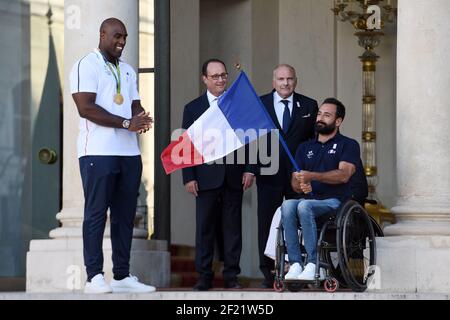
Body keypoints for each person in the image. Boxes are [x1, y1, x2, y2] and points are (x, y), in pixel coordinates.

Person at [70, 18, 155, 294]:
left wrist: (140, 118)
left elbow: (134, 105)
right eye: (117, 36)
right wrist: (125, 123)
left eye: (125, 37)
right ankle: (93, 276)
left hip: (129, 153)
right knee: (96, 214)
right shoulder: (86, 64)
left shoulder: (128, 71)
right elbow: (86, 108)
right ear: (102, 34)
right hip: (98, 151)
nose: (122, 41)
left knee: (125, 216)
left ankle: (121, 275)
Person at [182, 58, 255, 291]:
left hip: (234, 176)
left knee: (233, 229)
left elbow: (250, 138)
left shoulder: (238, 104)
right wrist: (188, 176)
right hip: (204, 178)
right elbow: (186, 145)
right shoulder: (192, 108)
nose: (221, 79)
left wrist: (250, 168)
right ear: (204, 79)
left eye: (223, 75)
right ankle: (204, 277)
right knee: (205, 229)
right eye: (215, 76)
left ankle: (231, 276)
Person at [281, 98, 360, 281]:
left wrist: (312, 176)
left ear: (338, 121)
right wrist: (300, 182)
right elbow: (295, 183)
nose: (320, 118)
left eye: (327, 115)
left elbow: (344, 175)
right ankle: (295, 264)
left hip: (336, 201)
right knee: (287, 205)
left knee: (303, 207)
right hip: (309, 199)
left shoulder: (348, 144)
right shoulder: (304, 147)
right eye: (319, 114)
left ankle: (314, 263)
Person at [256, 64, 318, 288]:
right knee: (266, 223)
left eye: (289, 79)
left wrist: (309, 173)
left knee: (300, 221)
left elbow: (313, 141)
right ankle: (268, 273)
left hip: (297, 175)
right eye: (281, 79)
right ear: (274, 82)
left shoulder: (309, 105)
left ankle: (298, 268)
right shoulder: (260, 104)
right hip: (268, 173)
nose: (285, 83)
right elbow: (250, 139)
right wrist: (250, 169)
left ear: (296, 81)